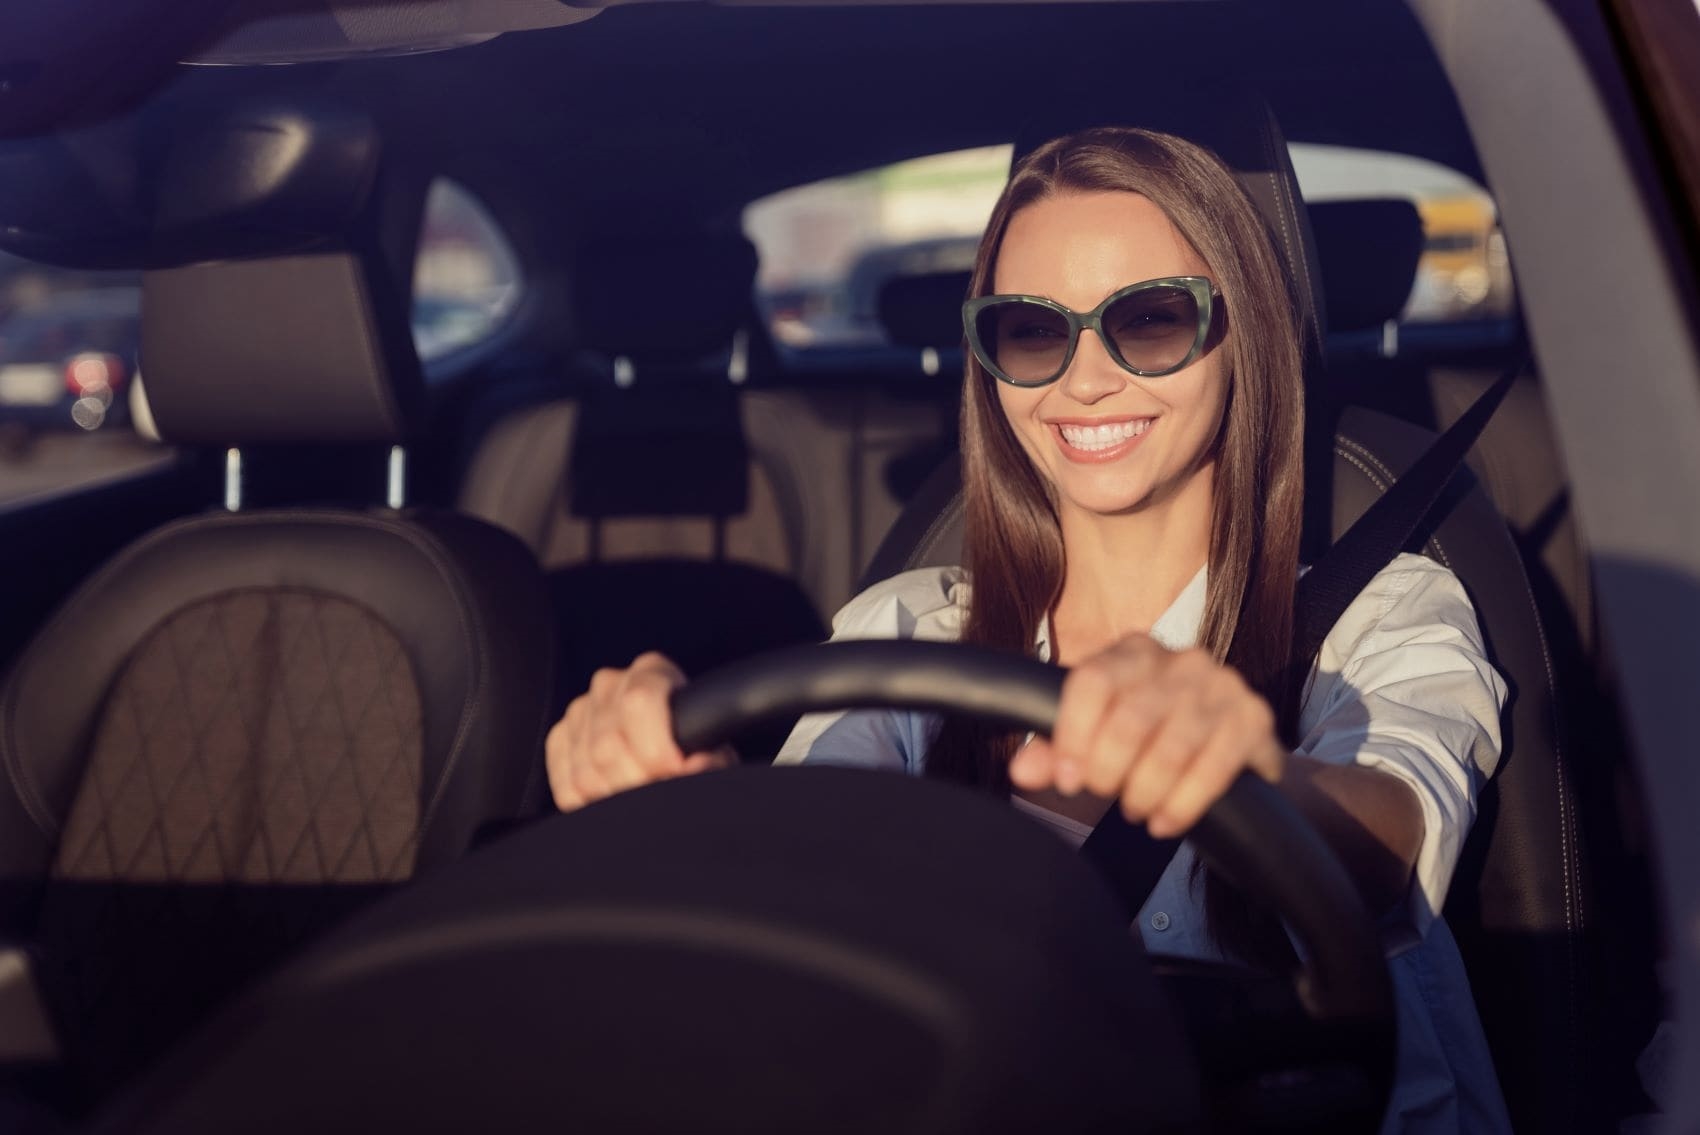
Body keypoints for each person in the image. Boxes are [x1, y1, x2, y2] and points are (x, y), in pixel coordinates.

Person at [545, 127, 1511, 1133]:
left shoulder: (1386, 611)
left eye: (1146, 319)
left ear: (1246, 332)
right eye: (1030, 331)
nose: (1080, 379)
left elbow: (1400, 823)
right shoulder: (908, 635)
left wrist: (1250, 779)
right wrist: (682, 796)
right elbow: (804, 847)